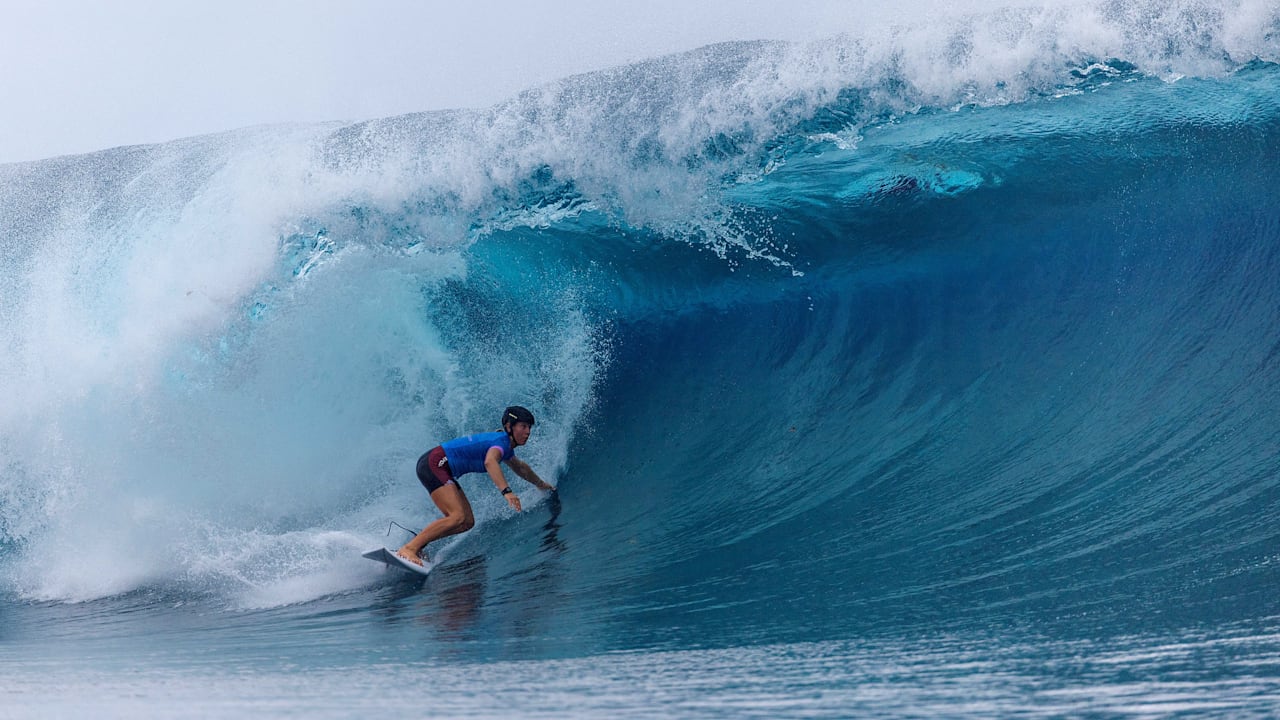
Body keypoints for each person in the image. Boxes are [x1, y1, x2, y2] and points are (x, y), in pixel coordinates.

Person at [396, 406, 555, 566]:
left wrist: (540, 484)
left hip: (442, 468)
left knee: (466, 522)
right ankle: (410, 548)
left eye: (529, 427)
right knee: (456, 516)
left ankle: (417, 545)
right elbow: (490, 461)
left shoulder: (505, 446)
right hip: (436, 463)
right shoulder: (501, 442)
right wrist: (507, 492)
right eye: (523, 426)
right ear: (509, 426)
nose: (528, 432)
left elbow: (519, 467)